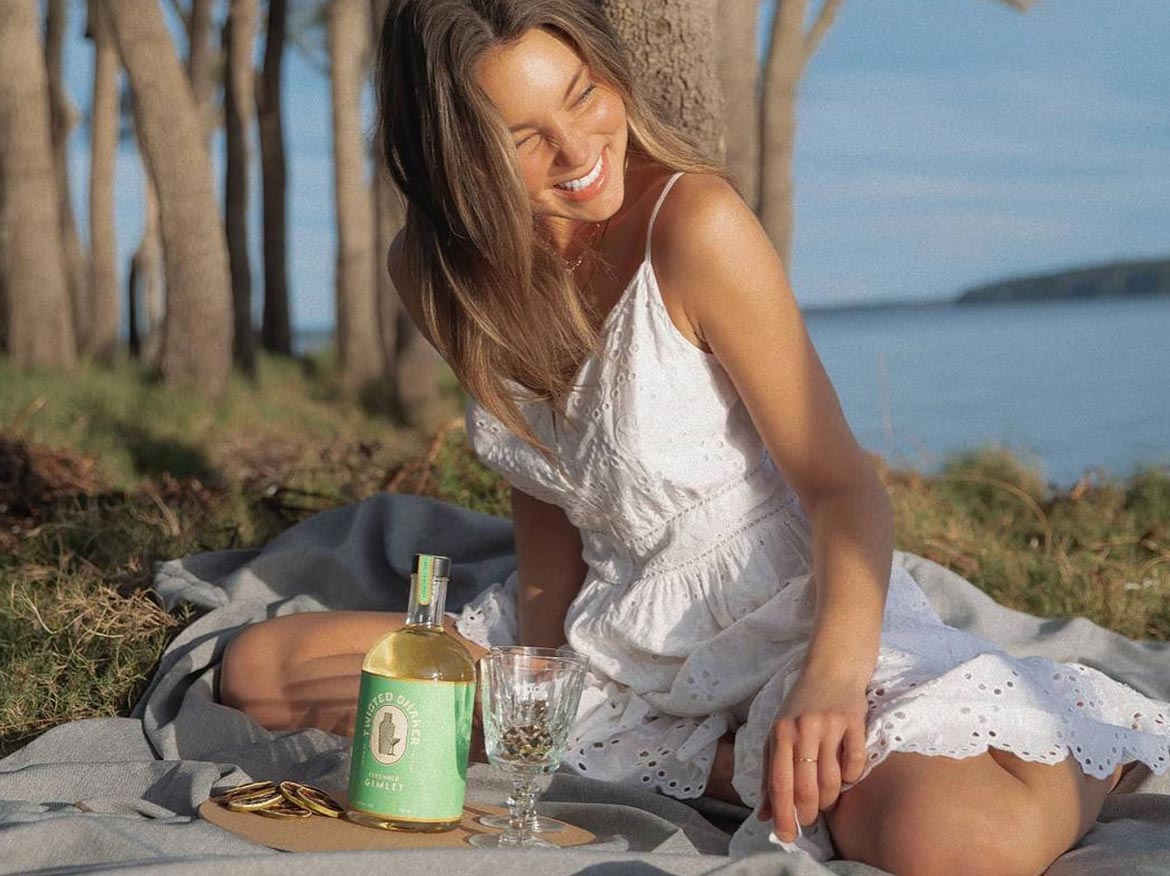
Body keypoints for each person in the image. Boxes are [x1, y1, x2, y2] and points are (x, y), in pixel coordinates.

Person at [218, 1, 1170, 872]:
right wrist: (540, 683)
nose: (579, 148)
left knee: (952, 844)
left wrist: (831, 687)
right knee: (259, 673)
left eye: (583, 94)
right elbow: (539, 483)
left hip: (788, 619)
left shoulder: (693, 225)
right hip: (611, 627)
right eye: (524, 140)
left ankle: (1089, 740)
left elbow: (845, 489)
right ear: (457, 162)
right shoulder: (438, 274)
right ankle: (717, 766)